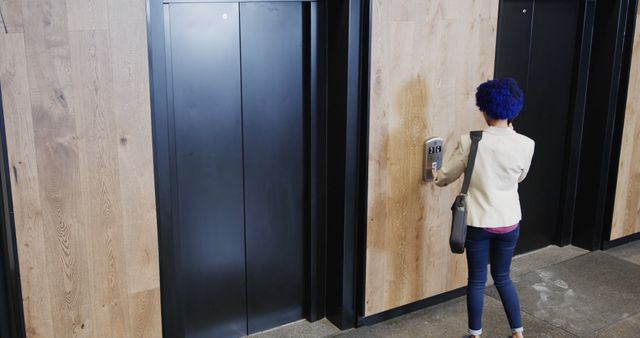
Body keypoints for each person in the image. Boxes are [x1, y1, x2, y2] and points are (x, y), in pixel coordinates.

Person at [434, 78, 535, 338]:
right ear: (515, 110)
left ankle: (475, 334)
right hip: (510, 221)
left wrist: (435, 175)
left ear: (484, 109)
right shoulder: (526, 144)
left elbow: (446, 176)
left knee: (477, 281)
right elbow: (520, 177)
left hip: (478, 223)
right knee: (503, 277)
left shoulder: (471, 140)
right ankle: (518, 332)